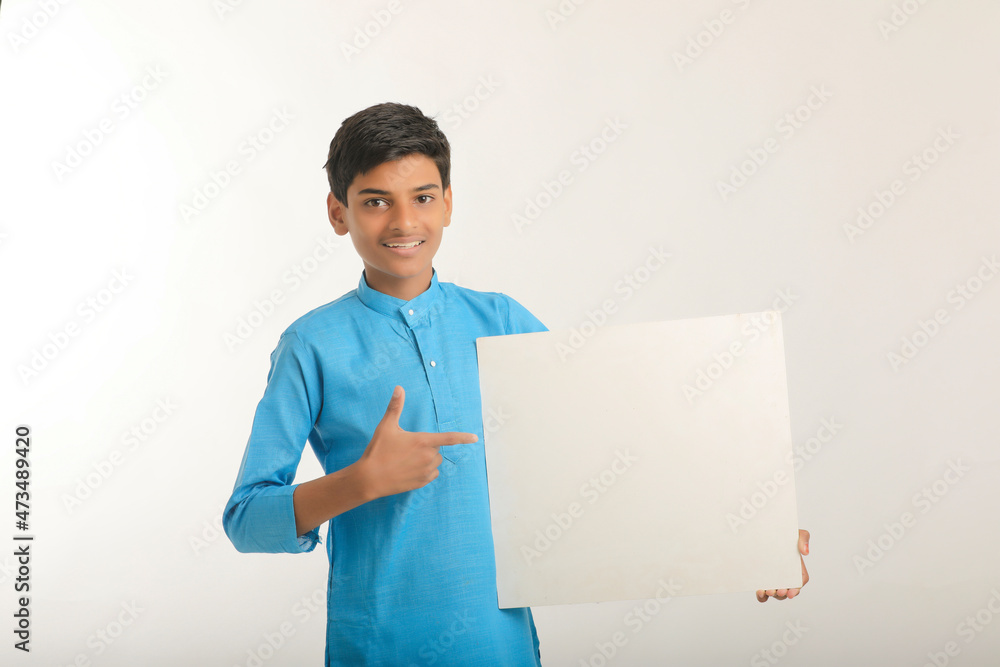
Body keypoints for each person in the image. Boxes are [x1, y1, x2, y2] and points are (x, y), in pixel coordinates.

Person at [223, 102, 809, 666]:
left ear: (448, 204)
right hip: (377, 648)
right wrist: (361, 481)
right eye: (375, 201)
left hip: (499, 646)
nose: (403, 221)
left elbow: (620, 442)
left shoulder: (500, 322)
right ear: (338, 212)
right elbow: (246, 517)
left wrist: (756, 532)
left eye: (423, 198)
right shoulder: (311, 344)